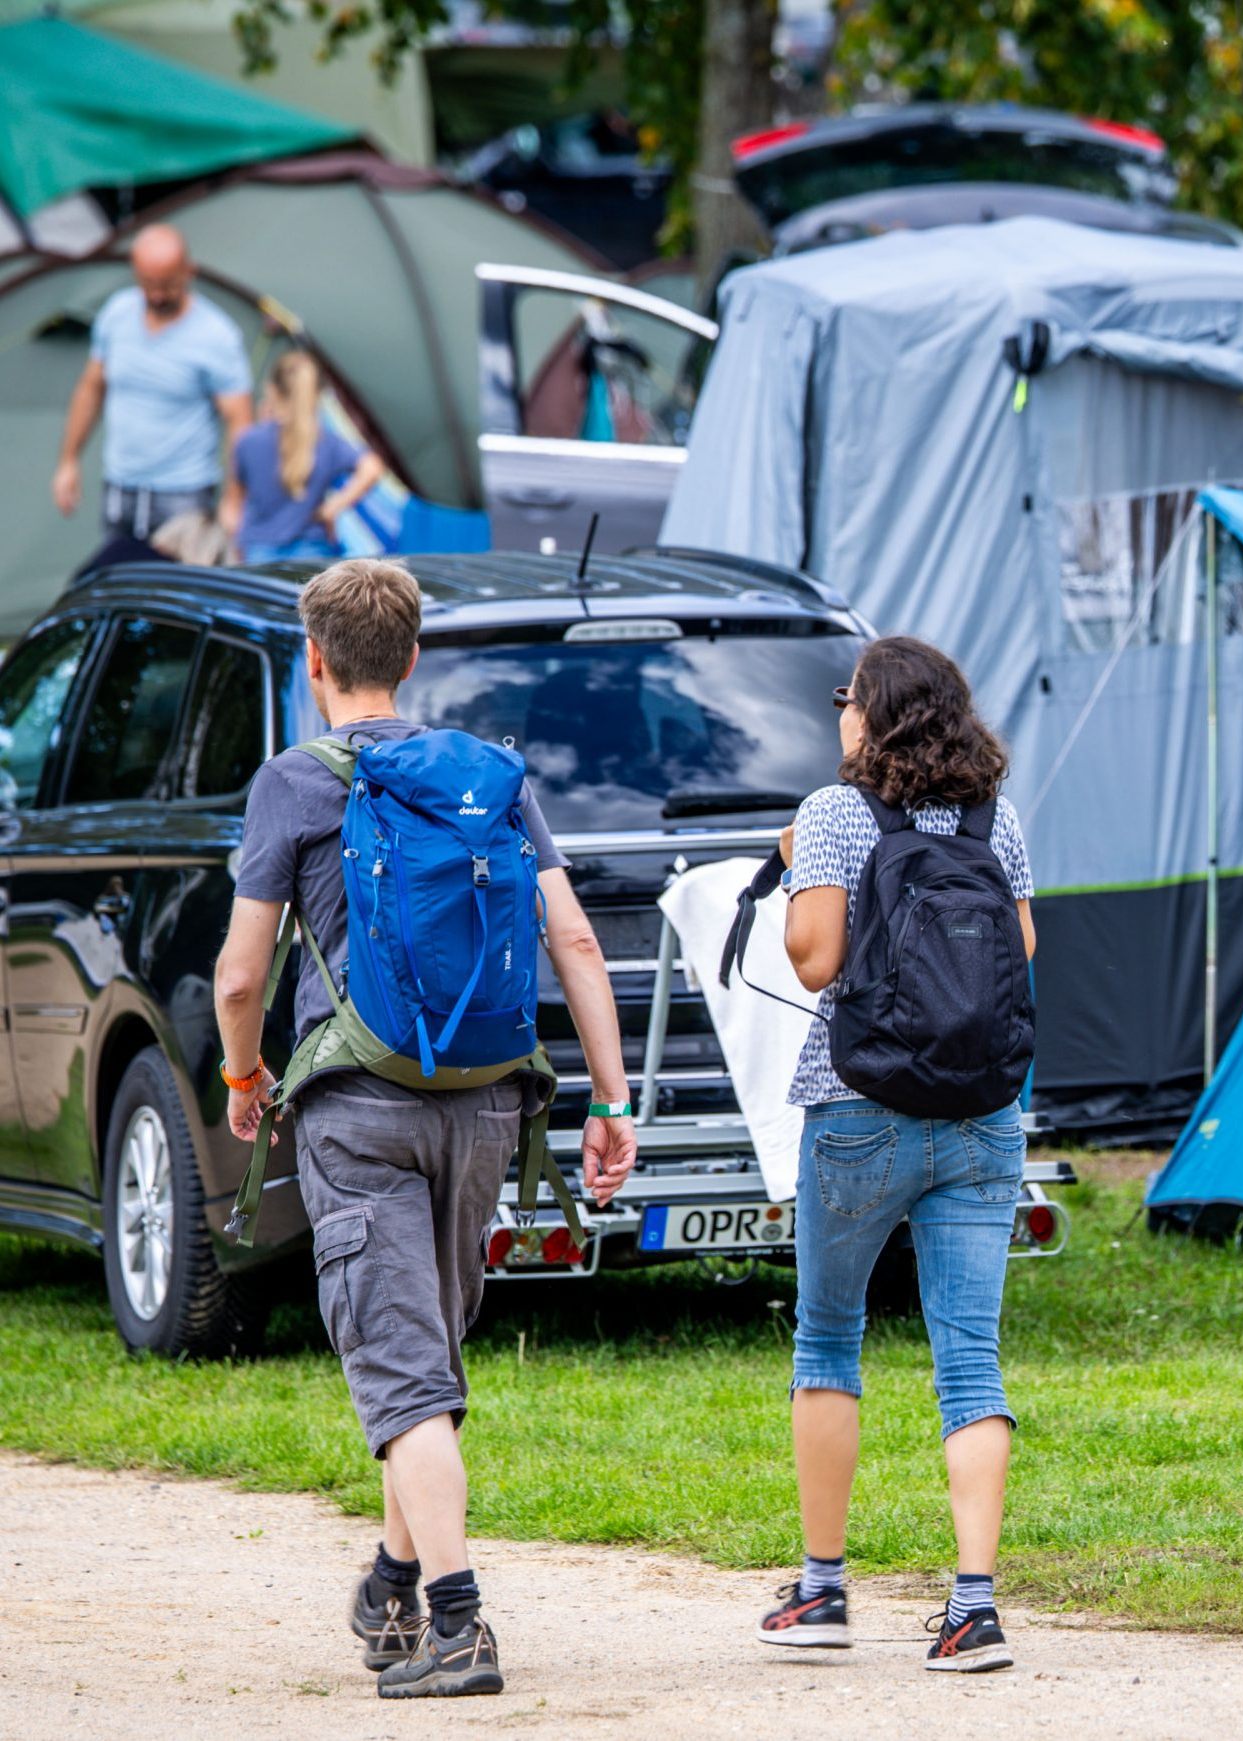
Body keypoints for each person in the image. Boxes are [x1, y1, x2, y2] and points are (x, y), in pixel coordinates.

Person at [212, 559, 639, 1698]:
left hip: (356, 1106)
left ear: (314, 662)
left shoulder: (294, 783)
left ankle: (457, 1625)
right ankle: (394, 1582)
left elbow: (241, 973)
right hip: (491, 1102)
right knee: (428, 1361)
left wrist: (244, 1076)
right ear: (412, 659)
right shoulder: (491, 774)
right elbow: (577, 943)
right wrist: (608, 1099)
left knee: (403, 1374)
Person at [753, 635, 1036, 1674]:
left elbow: (814, 956)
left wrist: (797, 874)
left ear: (869, 715)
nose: (838, 714)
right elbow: (1022, 953)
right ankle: (973, 1608)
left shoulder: (832, 816)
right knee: (970, 1356)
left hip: (858, 1105)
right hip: (979, 1113)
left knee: (828, 1339)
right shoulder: (993, 818)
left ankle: (822, 1589)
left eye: (845, 699)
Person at [52, 225, 252, 542]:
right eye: (148, 285)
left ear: (189, 272)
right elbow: (91, 387)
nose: (157, 295)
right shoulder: (116, 314)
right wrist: (69, 460)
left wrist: (234, 498)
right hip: (121, 483)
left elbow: (240, 420)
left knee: (178, 588)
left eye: (167, 286)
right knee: (119, 581)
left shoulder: (217, 336)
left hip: (185, 493)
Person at [222, 350, 384, 563]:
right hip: (313, 554)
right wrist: (332, 508)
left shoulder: (248, 441)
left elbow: (232, 507)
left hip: (259, 553)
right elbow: (372, 468)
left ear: (271, 390)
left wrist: (236, 541)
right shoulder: (327, 443)